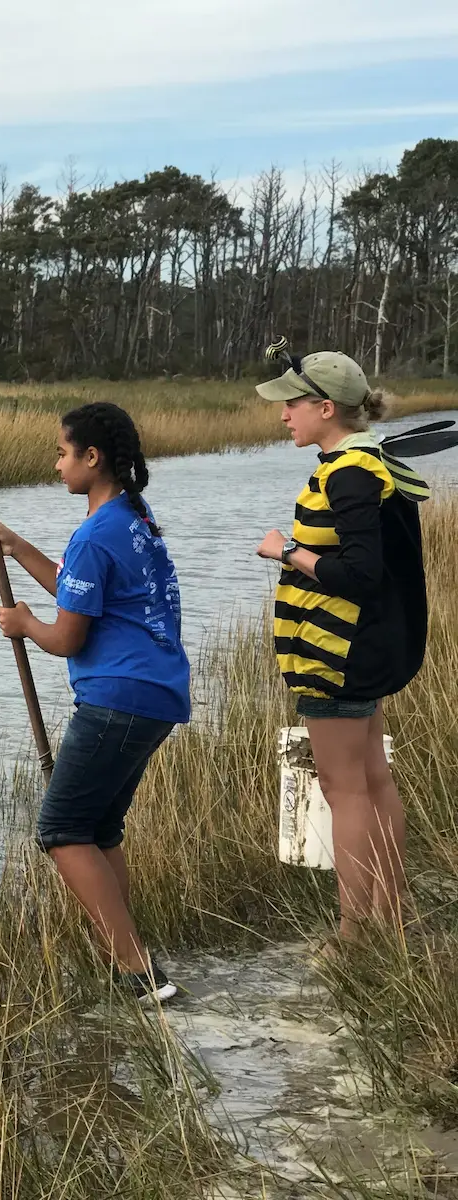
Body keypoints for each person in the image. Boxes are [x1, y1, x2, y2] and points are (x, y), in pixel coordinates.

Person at [0, 402, 190, 1004]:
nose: (56, 463)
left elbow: (68, 635)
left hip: (116, 699)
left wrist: (24, 624)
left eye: (63, 452)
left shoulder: (98, 532)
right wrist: (17, 547)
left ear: (92, 458)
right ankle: (132, 960)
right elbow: (81, 588)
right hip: (156, 695)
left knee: (62, 830)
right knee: (100, 828)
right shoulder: (132, 518)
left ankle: (137, 971)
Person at [254, 349, 426, 943]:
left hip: (339, 655)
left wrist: (286, 552)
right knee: (374, 780)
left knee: (344, 788)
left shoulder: (348, 474)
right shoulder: (367, 461)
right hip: (365, 650)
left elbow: (361, 574)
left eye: (292, 404)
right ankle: (391, 915)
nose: (284, 416)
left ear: (326, 408)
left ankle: (353, 932)